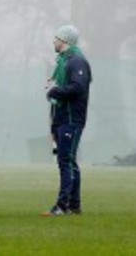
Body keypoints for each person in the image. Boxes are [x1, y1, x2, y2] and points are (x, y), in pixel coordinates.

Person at [43, 24, 92, 217]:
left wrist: (55, 90)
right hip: (62, 118)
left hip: (72, 119)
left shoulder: (76, 61)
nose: (53, 41)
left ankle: (62, 205)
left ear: (64, 40)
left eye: (56, 38)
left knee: (66, 161)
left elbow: (78, 87)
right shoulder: (63, 62)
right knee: (69, 160)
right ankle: (74, 205)